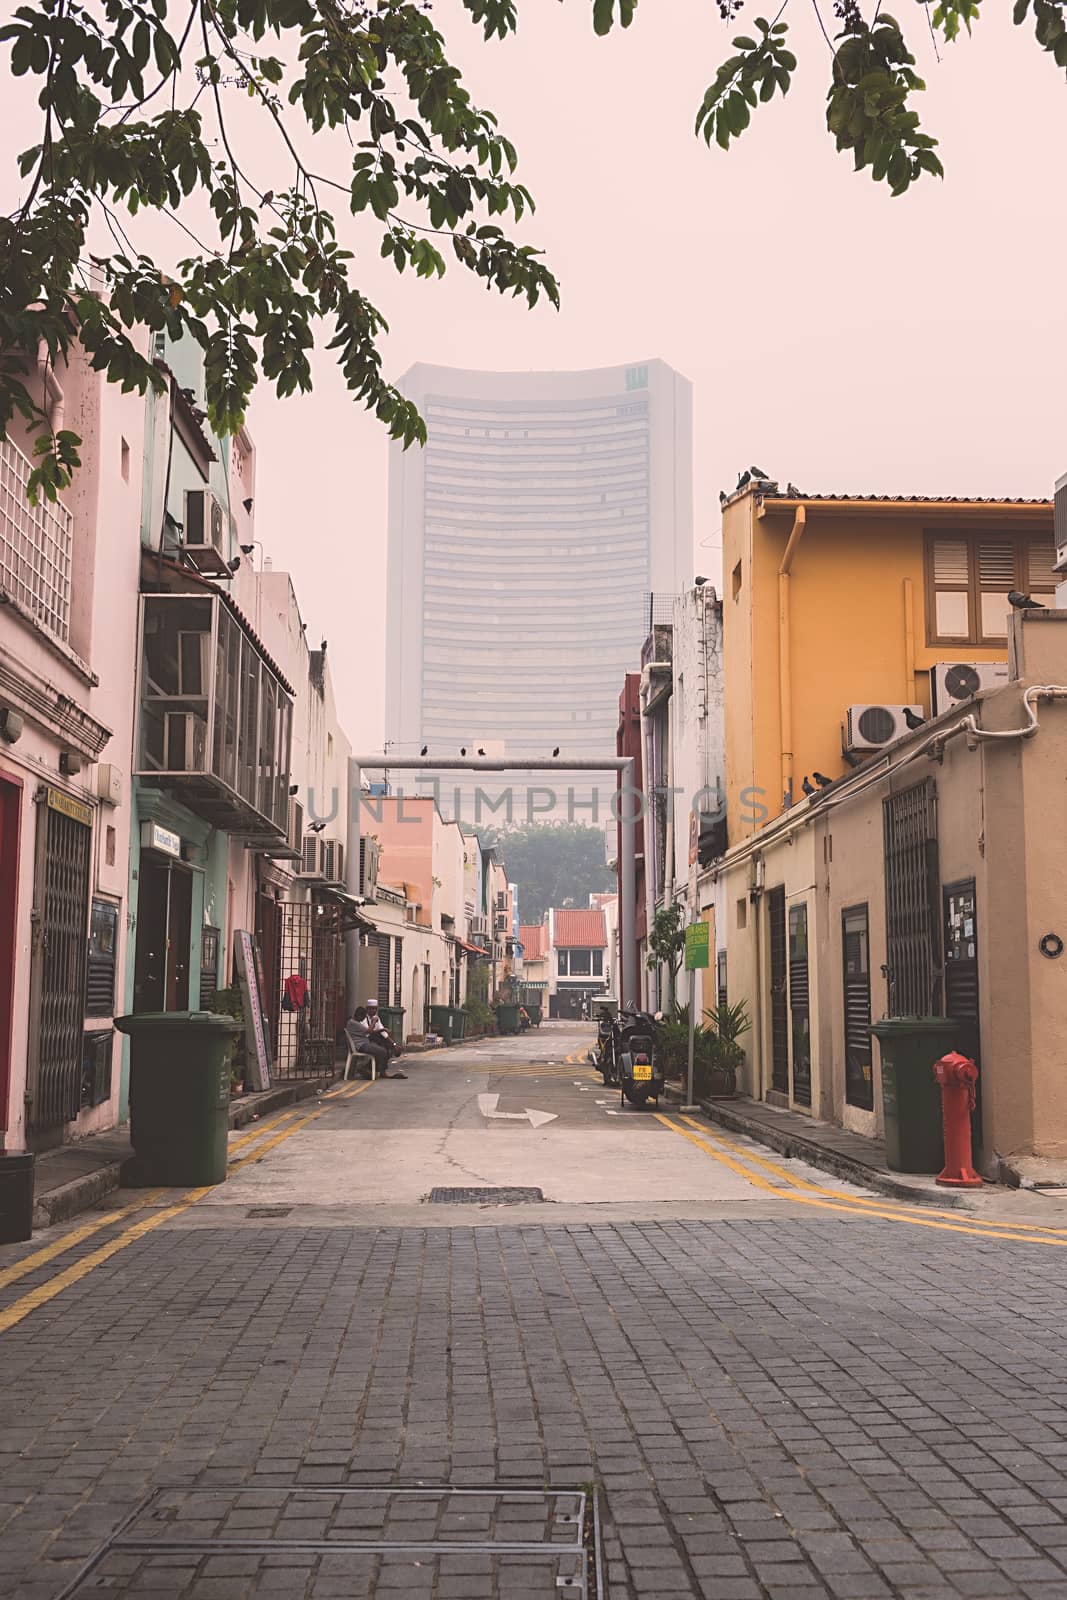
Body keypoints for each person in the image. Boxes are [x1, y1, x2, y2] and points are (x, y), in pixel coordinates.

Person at [348, 1000, 406, 1080]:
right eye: (371, 1009)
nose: (373, 1011)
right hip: (365, 1041)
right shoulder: (361, 1020)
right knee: (383, 1051)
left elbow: (382, 1031)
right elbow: (369, 1032)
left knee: (388, 1048)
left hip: (368, 1041)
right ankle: (375, 1070)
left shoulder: (373, 1018)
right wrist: (375, 1023)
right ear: (367, 1009)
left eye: (375, 1009)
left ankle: (378, 1069)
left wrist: (393, 1043)